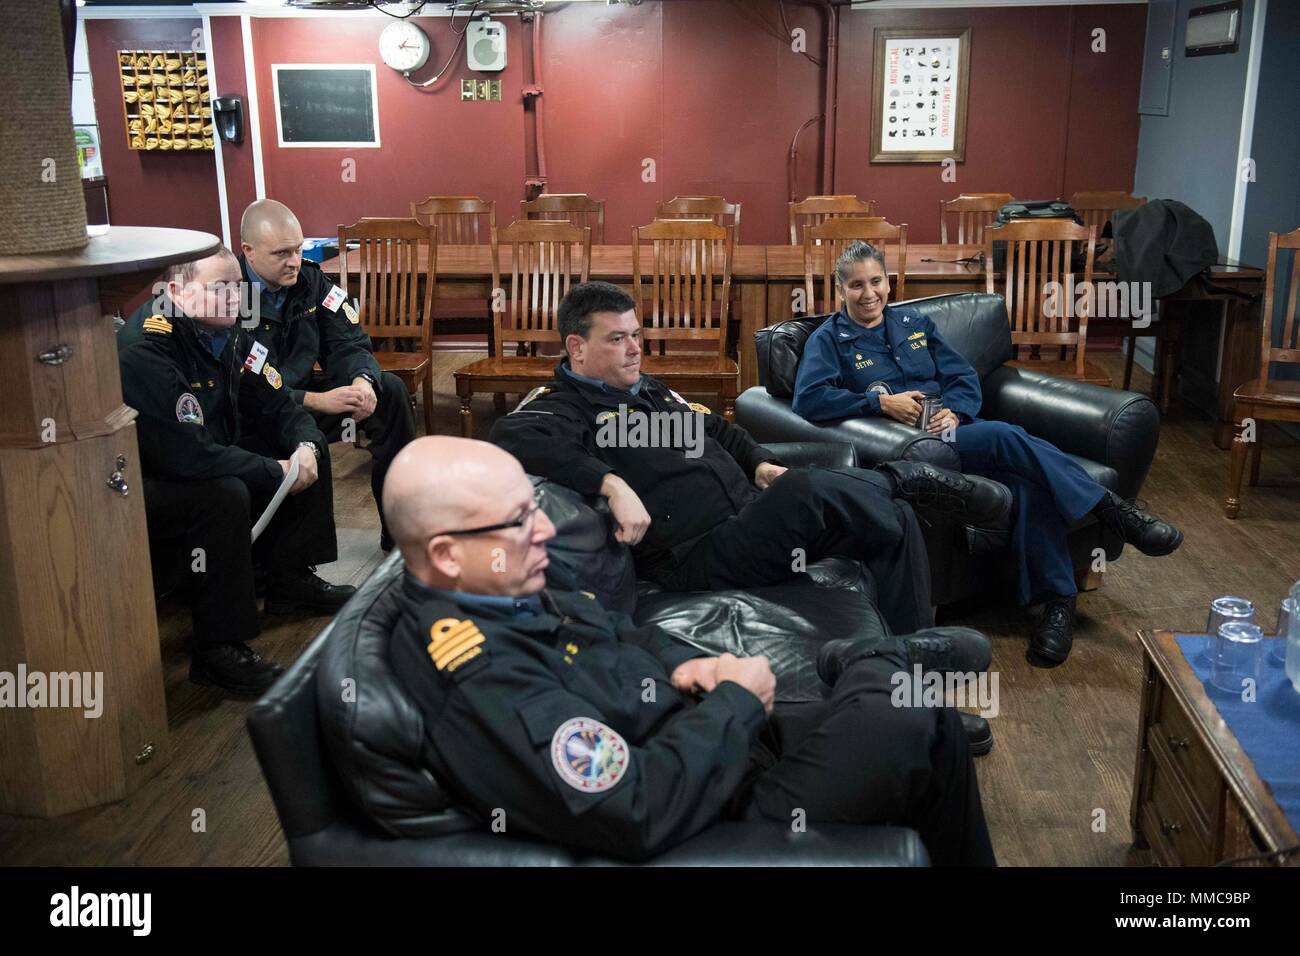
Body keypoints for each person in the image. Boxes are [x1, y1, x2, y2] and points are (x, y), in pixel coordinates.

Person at [384, 436, 997, 865]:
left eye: (533, 510)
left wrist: (686, 663)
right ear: (444, 553)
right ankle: (869, 662)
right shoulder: (481, 679)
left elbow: (624, 633)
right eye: (519, 521)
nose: (544, 529)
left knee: (930, 722)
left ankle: (869, 667)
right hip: (713, 814)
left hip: (714, 743)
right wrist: (733, 700)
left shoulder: (503, 587)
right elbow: (635, 807)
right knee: (897, 705)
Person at [489, 280, 1011, 641]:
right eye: (617, 339)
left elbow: (716, 428)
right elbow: (511, 438)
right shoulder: (564, 407)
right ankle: (904, 478)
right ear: (577, 349)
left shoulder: (647, 392)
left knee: (892, 522)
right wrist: (609, 483)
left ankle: (911, 680)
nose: (634, 349)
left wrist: (758, 461)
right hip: (697, 555)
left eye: (637, 335)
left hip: (749, 520)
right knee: (804, 490)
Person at [791, 241, 1184, 666]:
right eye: (856, 285)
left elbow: (960, 375)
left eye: (876, 281)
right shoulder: (829, 339)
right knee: (1005, 434)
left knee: (1031, 482)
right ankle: (1114, 509)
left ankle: (1058, 604)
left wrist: (957, 412)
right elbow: (809, 400)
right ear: (840, 290)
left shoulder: (913, 322)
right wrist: (879, 404)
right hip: (908, 449)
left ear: (889, 282)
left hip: (954, 432)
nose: (868, 294)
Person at [118, 248, 355, 698]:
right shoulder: (147, 349)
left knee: (308, 444)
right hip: (145, 481)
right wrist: (276, 469)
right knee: (223, 494)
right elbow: (188, 457)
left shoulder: (229, 332)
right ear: (175, 292)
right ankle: (218, 651)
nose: (234, 297)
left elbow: (277, 400)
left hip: (203, 453)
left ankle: (289, 579)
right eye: (218, 288)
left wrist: (303, 447)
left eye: (236, 286)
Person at [240, 198, 416, 551]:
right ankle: (301, 570)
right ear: (249, 251)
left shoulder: (310, 281)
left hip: (306, 400)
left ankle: (399, 530)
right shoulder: (229, 297)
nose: (293, 261)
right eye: (280, 253)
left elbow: (348, 341)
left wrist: (361, 381)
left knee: (390, 392)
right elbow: (247, 388)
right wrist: (316, 400)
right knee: (305, 437)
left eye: (297, 249)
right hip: (256, 414)